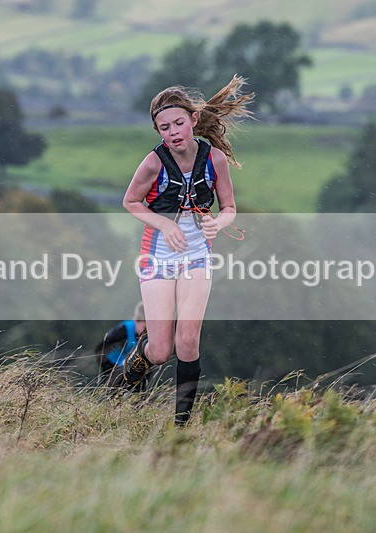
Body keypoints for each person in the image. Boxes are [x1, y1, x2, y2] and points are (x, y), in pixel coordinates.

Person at [121, 75, 253, 426]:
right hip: (158, 254)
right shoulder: (153, 162)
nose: (173, 131)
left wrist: (218, 224)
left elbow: (229, 208)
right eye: (164, 127)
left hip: (197, 253)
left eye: (179, 123)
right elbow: (130, 202)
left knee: (188, 342)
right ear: (158, 132)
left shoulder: (215, 160)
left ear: (193, 120)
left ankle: (181, 425)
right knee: (162, 351)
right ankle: (138, 361)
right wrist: (164, 223)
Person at [95, 302, 147, 388]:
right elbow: (100, 350)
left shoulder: (146, 337)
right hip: (112, 365)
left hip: (129, 366)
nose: (146, 332)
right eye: (144, 328)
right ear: (136, 321)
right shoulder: (122, 331)